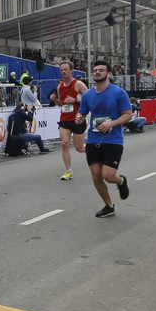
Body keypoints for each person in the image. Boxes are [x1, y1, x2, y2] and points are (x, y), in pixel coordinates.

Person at [76, 59, 132, 218]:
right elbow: (82, 111)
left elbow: (128, 114)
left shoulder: (119, 93)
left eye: (101, 70)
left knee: (108, 175)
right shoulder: (88, 95)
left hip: (113, 140)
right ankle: (109, 205)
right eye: (95, 70)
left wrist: (111, 123)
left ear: (108, 73)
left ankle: (120, 181)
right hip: (93, 139)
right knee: (96, 175)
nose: (97, 73)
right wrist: (79, 117)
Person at [50, 60, 87, 180]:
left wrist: (75, 100)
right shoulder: (60, 87)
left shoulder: (78, 84)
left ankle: (94, 152)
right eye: (61, 70)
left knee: (79, 148)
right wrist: (55, 100)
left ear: (71, 71)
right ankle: (68, 171)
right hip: (65, 119)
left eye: (65, 69)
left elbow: (90, 98)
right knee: (64, 143)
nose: (63, 71)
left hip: (78, 119)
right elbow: (62, 104)